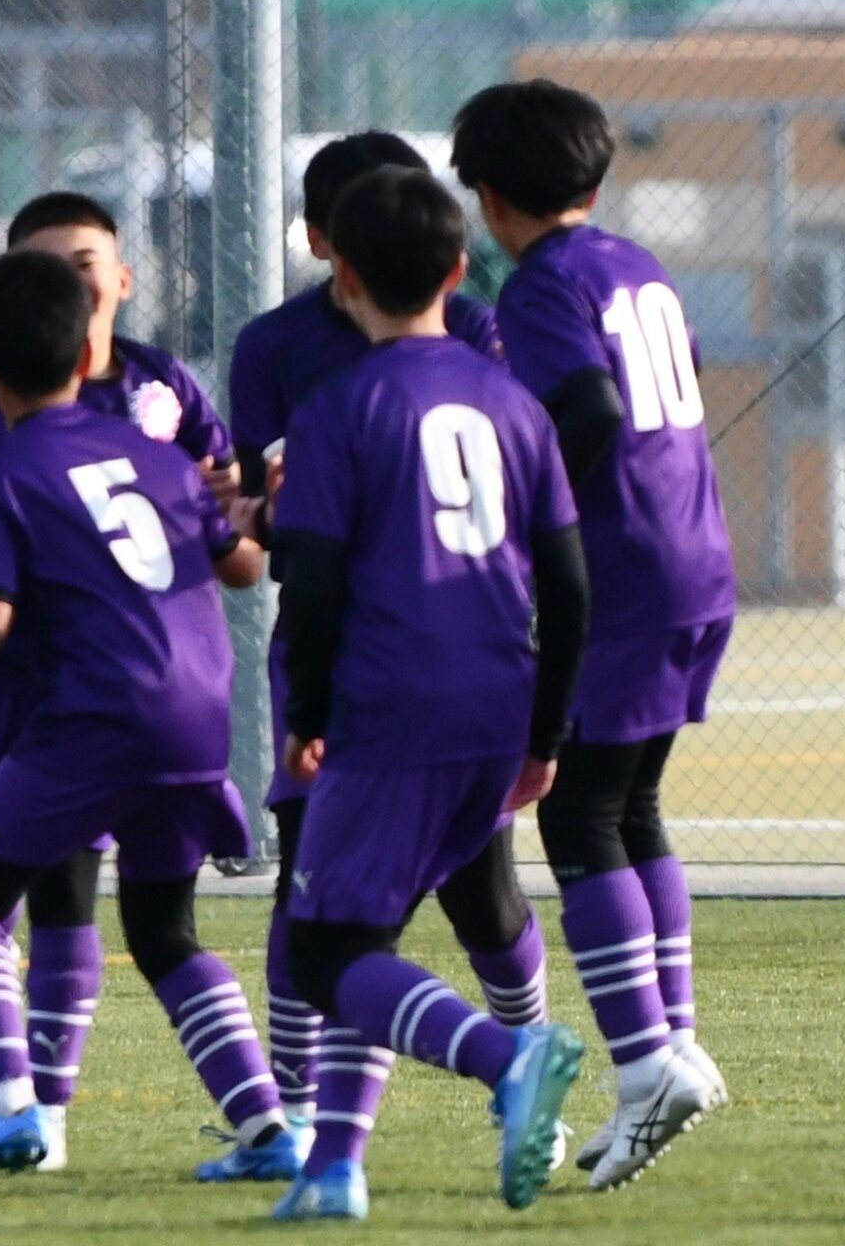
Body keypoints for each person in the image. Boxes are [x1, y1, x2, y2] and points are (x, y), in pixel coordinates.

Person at [0, 250, 296, 1182]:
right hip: (200, 720)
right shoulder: (159, 459)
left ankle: (7, 1105)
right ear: (85, 356)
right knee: (164, 930)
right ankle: (269, 1128)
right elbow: (240, 564)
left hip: (102, 717)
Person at [270, 167, 589, 1221]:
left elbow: (314, 583)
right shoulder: (512, 402)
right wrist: (548, 728)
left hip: (392, 707)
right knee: (367, 932)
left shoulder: (342, 407)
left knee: (327, 949)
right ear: (459, 271)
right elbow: (569, 582)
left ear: (344, 278)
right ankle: (334, 1170)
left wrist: (306, 714)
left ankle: (508, 1056)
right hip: (497, 701)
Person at [451, 78, 733, 1189]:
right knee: (633, 805)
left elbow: (592, 408)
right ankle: (675, 1044)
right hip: (696, 554)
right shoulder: (637, 264)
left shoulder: (541, 284)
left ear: (487, 196)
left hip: (625, 570)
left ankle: (645, 1062)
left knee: (578, 812)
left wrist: (531, 504)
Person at [0, 191, 241, 1173]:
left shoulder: (163, 386)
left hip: (100, 700)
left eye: (81, 263)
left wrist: (237, 506)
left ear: (121, 276)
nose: (68, 281)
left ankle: (23, 1099)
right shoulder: (18, 412)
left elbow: (237, 545)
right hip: (56, 688)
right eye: (43, 267)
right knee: (72, 897)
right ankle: (42, 1098)